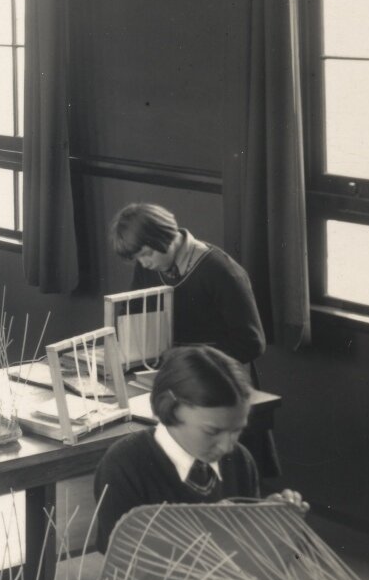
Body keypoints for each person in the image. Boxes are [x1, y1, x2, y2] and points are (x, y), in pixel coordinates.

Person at [91, 344, 304, 550]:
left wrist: (266, 523)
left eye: (237, 430)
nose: (227, 447)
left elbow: (248, 552)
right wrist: (219, 529)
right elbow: (125, 559)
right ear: (170, 408)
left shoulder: (240, 460)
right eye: (212, 431)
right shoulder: (123, 465)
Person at [109, 203, 265, 369]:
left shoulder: (223, 271)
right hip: (172, 369)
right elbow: (131, 313)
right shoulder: (147, 266)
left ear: (164, 237)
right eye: (137, 258)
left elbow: (251, 343)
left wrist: (185, 358)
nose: (144, 263)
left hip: (218, 374)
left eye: (147, 254)